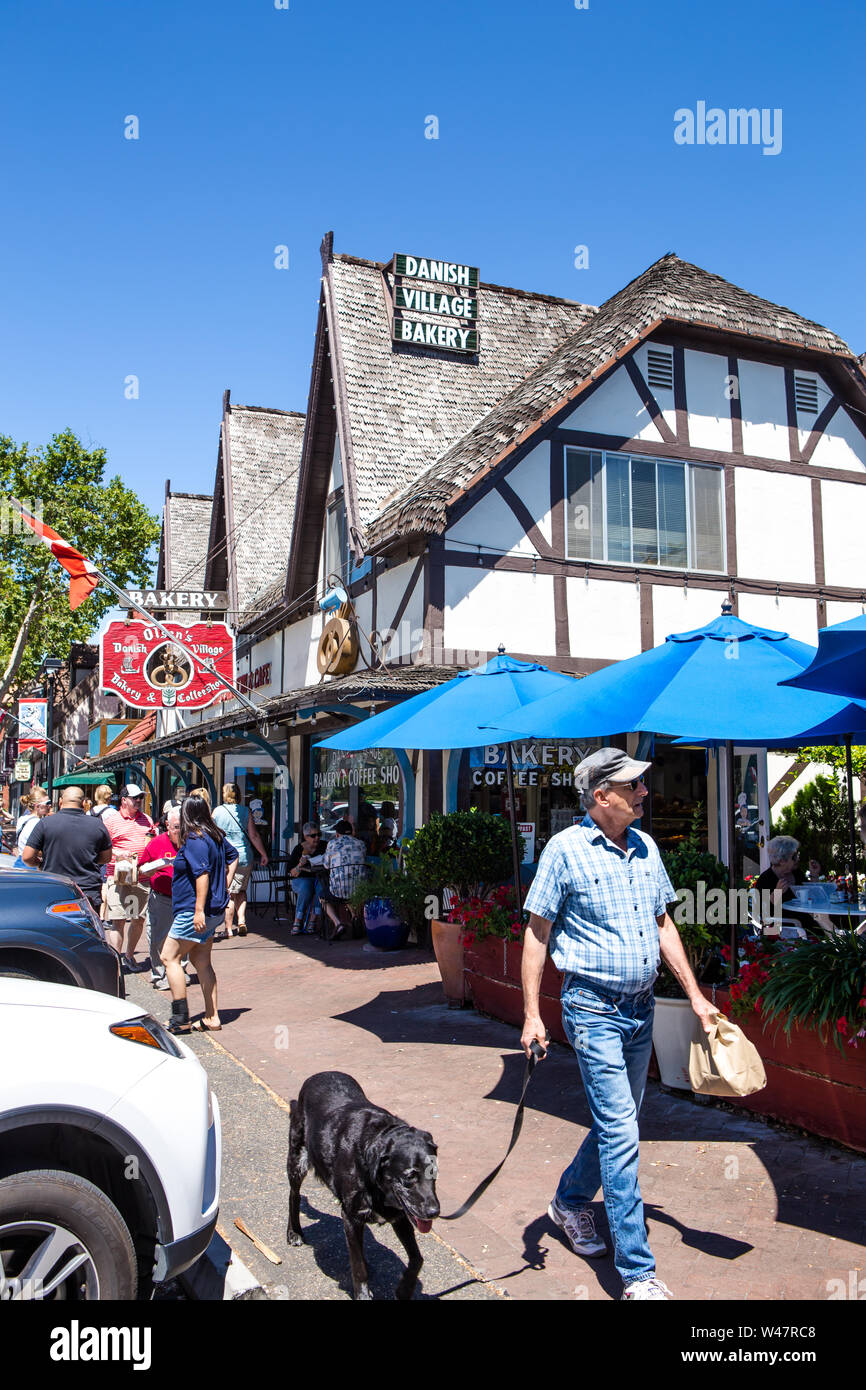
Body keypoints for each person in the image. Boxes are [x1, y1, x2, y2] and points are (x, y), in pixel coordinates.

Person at [520, 746, 714, 1302]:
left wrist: (695, 997)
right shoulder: (564, 850)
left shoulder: (647, 847)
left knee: (619, 1122)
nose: (644, 794)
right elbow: (536, 933)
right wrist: (533, 1014)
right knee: (622, 1131)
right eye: (633, 787)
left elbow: (663, 924)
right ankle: (638, 1273)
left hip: (641, 1007)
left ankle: (570, 1201)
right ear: (602, 796)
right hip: (592, 1008)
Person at [161, 795, 238, 1035]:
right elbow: (233, 855)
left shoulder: (195, 839)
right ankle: (212, 1016)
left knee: (168, 958)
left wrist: (198, 910)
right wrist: (225, 883)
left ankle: (180, 1019)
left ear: (186, 815)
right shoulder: (215, 836)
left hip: (195, 910)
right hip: (214, 909)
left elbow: (201, 874)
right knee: (202, 962)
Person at [21, 785, 111, 915]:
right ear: (83, 803)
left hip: (55, 889)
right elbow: (106, 857)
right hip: (87, 891)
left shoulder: (45, 823)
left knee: (55, 932)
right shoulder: (97, 824)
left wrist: (41, 863)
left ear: (60, 802)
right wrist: (87, 858)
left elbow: (27, 857)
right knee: (88, 933)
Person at [102, 784, 155, 971]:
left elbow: (152, 842)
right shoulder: (111, 821)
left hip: (140, 878)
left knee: (137, 919)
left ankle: (129, 956)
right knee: (117, 920)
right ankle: (115, 962)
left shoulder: (146, 820)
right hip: (119, 877)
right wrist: (119, 854)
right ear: (124, 800)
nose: (139, 800)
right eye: (135, 797)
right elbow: (102, 847)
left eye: (141, 797)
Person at [212, 783, 268, 938]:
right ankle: (242, 921)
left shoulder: (217, 812)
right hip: (244, 856)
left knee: (228, 892)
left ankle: (228, 928)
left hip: (226, 858)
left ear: (224, 794)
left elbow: (211, 834)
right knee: (241, 891)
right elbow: (254, 836)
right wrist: (263, 854)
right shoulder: (245, 811)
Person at [138, 806, 182, 990]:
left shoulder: (191, 842)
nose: (179, 831)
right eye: (176, 827)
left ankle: (180, 971)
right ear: (167, 825)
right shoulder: (157, 843)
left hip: (184, 897)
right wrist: (153, 869)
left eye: (183, 827)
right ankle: (159, 974)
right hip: (162, 897)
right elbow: (141, 867)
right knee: (158, 936)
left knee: (182, 937)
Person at [753, 836, 823, 938]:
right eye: (794, 857)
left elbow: (812, 896)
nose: (797, 859)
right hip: (784, 930)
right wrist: (776, 894)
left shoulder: (796, 873)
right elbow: (762, 913)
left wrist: (814, 875)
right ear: (781, 860)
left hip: (807, 924)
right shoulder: (766, 880)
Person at [319, 818, 367, 939]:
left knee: (322, 897)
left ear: (337, 834)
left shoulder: (332, 844)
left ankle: (338, 923)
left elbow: (326, 865)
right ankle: (355, 917)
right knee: (351, 893)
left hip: (337, 892)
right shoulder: (361, 844)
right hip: (359, 890)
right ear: (352, 832)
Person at [287, 823, 325, 935]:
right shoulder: (299, 849)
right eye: (313, 836)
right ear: (305, 837)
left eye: (319, 834)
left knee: (321, 888)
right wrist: (300, 864)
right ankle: (298, 920)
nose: (317, 838)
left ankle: (313, 920)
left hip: (319, 877)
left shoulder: (324, 846)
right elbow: (292, 873)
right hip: (301, 879)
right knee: (306, 887)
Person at [15, 788, 51, 864]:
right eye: (47, 803)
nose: (50, 806)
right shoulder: (37, 823)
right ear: (37, 806)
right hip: (31, 864)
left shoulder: (22, 819)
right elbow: (35, 849)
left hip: (20, 861)